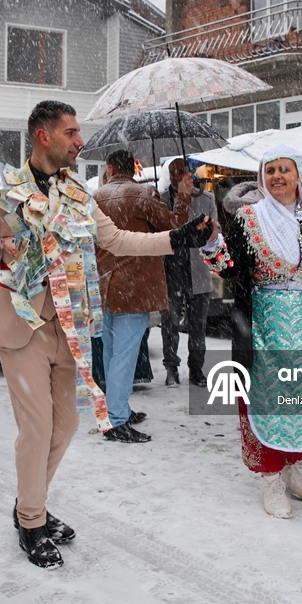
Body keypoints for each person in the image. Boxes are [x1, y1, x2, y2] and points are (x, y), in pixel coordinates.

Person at [0, 100, 213, 569]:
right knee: (37, 428)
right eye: (71, 133)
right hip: (20, 328)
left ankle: (29, 502)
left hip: (69, 326)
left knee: (66, 426)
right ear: (43, 136)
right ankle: (31, 518)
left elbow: (114, 239)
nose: (79, 141)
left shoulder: (77, 191)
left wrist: (176, 239)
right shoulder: (1, 191)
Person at [203, 144, 302, 519]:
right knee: (268, 399)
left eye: (284, 169)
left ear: (299, 177)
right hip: (265, 323)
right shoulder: (248, 218)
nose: (277, 176)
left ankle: (290, 464)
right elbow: (229, 267)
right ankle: (271, 477)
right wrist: (213, 242)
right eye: (270, 170)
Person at [93, 149, 192, 442]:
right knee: (123, 355)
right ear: (133, 169)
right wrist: (184, 195)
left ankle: (114, 409)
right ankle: (117, 419)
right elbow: (175, 228)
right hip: (134, 286)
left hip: (104, 286)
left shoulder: (95, 198)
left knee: (112, 354)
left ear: (109, 168)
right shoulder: (144, 194)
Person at [161, 157, 220, 388]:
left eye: (180, 171)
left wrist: (207, 232)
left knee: (198, 325)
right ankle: (171, 368)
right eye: (172, 172)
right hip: (172, 268)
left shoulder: (206, 199)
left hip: (198, 269)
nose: (176, 176)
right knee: (170, 323)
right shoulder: (163, 200)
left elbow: (216, 231)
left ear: (189, 173)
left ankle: (196, 369)